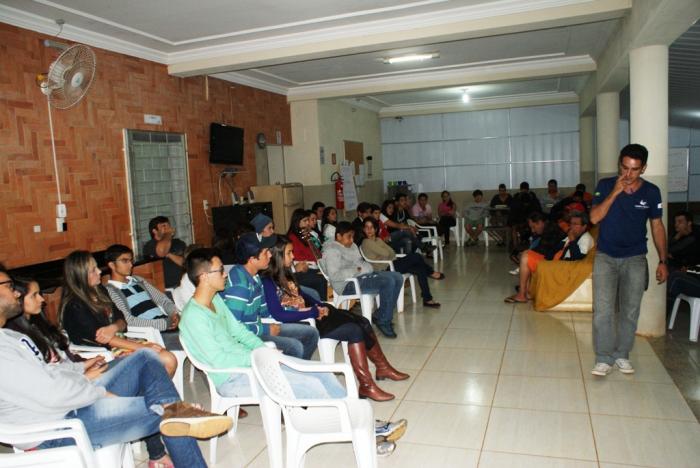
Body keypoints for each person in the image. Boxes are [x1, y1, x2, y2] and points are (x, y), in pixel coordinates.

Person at [0, 265, 231, 468]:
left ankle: (175, 409)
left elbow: (52, 369)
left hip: (72, 401)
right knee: (170, 415)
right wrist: (99, 392)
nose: (15, 292)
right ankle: (179, 411)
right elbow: (51, 395)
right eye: (9, 285)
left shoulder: (9, 336)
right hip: (55, 428)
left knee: (146, 358)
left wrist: (81, 371)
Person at [178, 249, 403, 455]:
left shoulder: (215, 300)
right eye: (220, 270)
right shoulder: (194, 316)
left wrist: (265, 353)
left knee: (322, 374)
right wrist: (263, 358)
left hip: (253, 364)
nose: (225, 275)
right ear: (204, 277)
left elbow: (240, 333)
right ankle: (365, 437)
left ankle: (364, 424)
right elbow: (220, 360)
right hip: (233, 377)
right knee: (309, 385)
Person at [6, 277, 178, 467]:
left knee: (146, 359)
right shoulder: (17, 339)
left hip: (79, 380)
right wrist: (92, 383)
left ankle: (161, 442)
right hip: (68, 405)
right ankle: (168, 429)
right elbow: (50, 388)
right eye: (35, 295)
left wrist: (84, 365)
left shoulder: (33, 327)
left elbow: (60, 364)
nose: (42, 299)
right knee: (166, 404)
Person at [262, 235, 410, 401]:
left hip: (313, 314)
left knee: (362, 321)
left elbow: (303, 295)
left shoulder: (287, 274)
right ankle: (367, 385)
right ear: (277, 256)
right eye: (289, 253)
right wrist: (313, 312)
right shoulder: (267, 281)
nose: (293, 256)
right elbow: (278, 314)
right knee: (354, 329)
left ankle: (382, 367)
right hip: (304, 323)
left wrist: (320, 305)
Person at [589, 143, 668, 376]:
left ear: (643, 168)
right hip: (605, 256)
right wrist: (615, 191)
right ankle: (603, 357)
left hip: (635, 257)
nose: (628, 175)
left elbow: (657, 225)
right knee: (602, 310)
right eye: (624, 168)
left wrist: (663, 261)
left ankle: (622, 354)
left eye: (634, 170)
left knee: (630, 310)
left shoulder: (652, 192)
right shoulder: (605, 185)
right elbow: (594, 218)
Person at [60, 250, 178, 376]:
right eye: (93, 270)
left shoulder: (100, 290)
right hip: (102, 351)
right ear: (80, 276)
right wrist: (143, 347)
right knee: (165, 360)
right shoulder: (74, 306)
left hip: (120, 340)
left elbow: (122, 319)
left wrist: (114, 326)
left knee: (169, 359)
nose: (100, 271)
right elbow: (104, 339)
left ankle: (154, 394)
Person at [222, 233, 319, 359]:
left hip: (258, 327)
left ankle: (297, 370)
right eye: (266, 252)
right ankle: (289, 374)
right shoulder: (240, 286)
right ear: (252, 259)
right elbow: (233, 327)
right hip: (246, 337)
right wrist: (266, 330)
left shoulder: (255, 276)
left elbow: (265, 312)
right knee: (295, 347)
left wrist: (296, 310)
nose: (270, 255)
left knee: (311, 333)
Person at [322, 222, 404, 338]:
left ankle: (381, 314)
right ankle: (383, 320)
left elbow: (362, 264)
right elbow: (334, 275)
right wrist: (357, 270)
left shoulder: (352, 246)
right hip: (348, 284)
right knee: (388, 281)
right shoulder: (332, 251)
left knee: (397, 277)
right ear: (338, 236)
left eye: (353, 236)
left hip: (360, 276)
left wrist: (362, 269)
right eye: (348, 237)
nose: (351, 240)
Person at [104, 244, 182, 350]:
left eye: (131, 260)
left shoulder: (138, 280)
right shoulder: (111, 291)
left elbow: (163, 300)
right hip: (151, 333)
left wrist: (174, 314)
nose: (131, 265)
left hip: (167, 323)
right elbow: (128, 320)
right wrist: (165, 323)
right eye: (125, 261)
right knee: (193, 336)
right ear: (112, 265)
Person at [361, 217, 443, 308]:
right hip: (385, 269)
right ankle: (431, 272)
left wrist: (385, 255)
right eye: (366, 227)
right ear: (363, 229)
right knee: (416, 256)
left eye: (371, 227)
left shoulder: (378, 240)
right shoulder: (366, 242)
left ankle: (427, 299)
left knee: (420, 269)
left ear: (376, 229)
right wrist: (386, 254)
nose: (369, 230)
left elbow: (391, 252)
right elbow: (386, 252)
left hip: (392, 263)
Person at [287, 209, 328, 301]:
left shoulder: (306, 235)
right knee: (320, 279)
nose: (308, 224)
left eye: (308, 221)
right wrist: (315, 265)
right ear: (297, 222)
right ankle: (322, 306)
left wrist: (310, 240)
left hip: (313, 267)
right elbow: (297, 260)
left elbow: (318, 254)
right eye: (305, 221)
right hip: (300, 271)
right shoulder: (292, 237)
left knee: (329, 272)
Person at [143, 216, 187, 289]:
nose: (168, 228)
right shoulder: (150, 245)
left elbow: (185, 263)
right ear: (155, 231)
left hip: (183, 285)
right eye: (164, 226)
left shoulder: (179, 242)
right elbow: (161, 252)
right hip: (165, 289)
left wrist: (169, 254)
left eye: (168, 225)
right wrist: (168, 234)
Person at [509, 181, 542, 249]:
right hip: (520, 220)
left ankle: (517, 246)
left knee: (516, 226)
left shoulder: (532, 196)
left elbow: (537, 209)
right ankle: (516, 246)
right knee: (514, 226)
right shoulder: (517, 197)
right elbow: (513, 210)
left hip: (528, 220)